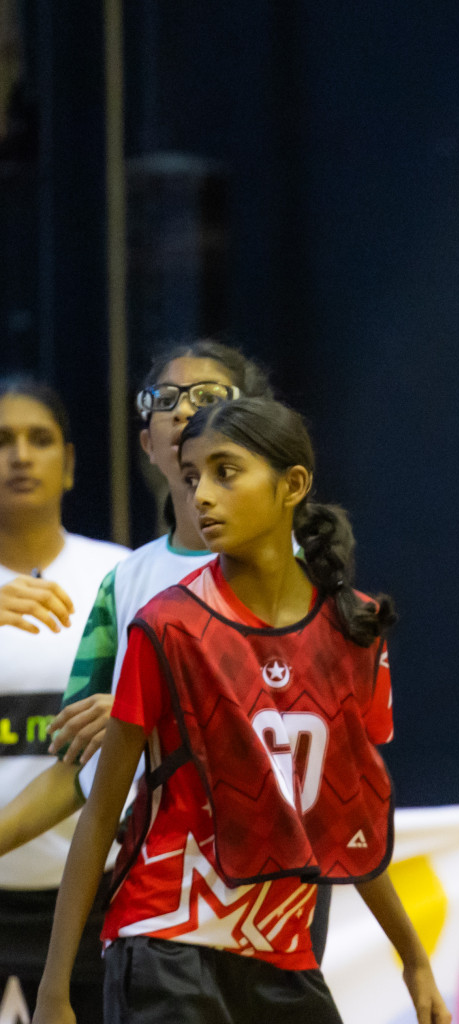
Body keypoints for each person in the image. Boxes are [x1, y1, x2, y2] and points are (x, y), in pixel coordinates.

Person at [32, 397, 450, 1024]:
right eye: (194, 475)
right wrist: (54, 990)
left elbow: (346, 821)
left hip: (282, 951)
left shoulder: (354, 630)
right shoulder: (166, 626)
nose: (200, 494)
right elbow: (100, 814)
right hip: (164, 939)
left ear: (293, 485)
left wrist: (413, 959)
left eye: (226, 473)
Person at [0, 376, 128, 1024]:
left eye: (39, 439)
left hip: (95, 898)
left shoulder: (122, 575)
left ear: (70, 463)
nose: (20, 455)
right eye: (2, 440)